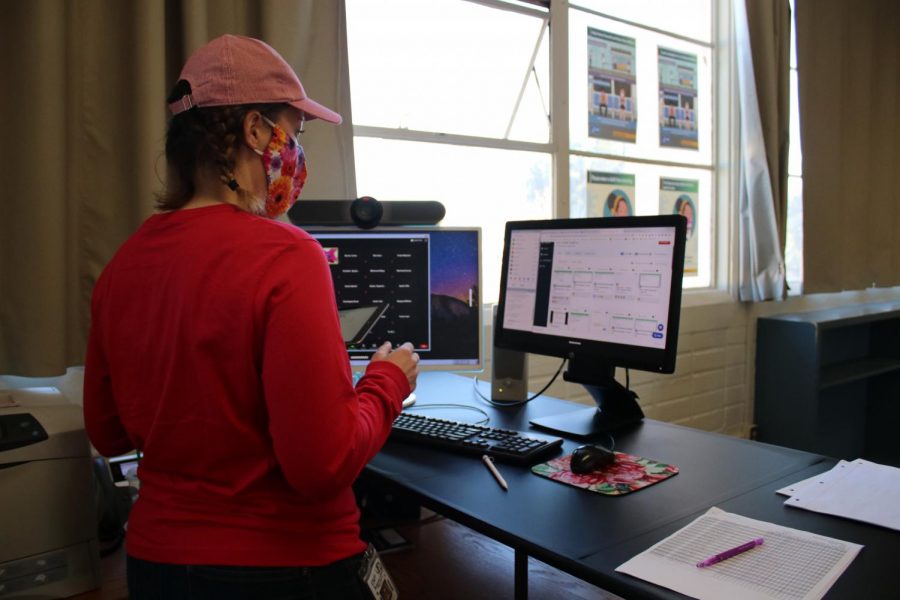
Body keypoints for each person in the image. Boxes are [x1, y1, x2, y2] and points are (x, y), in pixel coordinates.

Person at [83, 34, 419, 599]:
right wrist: (386, 385)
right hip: (287, 568)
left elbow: (108, 429)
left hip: (157, 567)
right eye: (297, 134)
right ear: (257, 131)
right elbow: (322, 465)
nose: (297, 155)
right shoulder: (289, 256)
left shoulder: (122, 266)